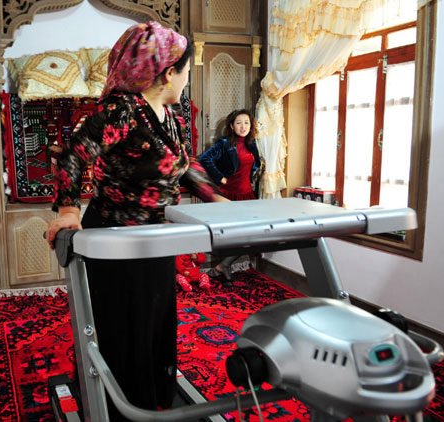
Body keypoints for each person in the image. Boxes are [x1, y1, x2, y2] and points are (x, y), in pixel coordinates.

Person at [45, 21, 227, 421]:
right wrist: (69, 210)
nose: (187, 78)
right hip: (116, 242)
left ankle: (149, 396)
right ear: (167, 72)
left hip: (155, 240)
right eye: (186, 71)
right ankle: (117, 406)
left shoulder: (168, 115)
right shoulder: (123, 111)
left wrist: (219, 199)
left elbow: (182, 165)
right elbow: (76, 153)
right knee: (123, 326)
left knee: (153, 319)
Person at [199, 109, 262, 286]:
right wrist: (220, 177)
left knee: (251, 234)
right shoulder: (224, 144)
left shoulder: (252, 143)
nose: (243, 126)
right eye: (239, 123)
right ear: (232, 126)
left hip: (247, 195)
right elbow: (204, 159)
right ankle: (222, 267)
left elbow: (255, 164)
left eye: (247, 123)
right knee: (231, 235)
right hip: (229, 195)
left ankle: (222, 266)